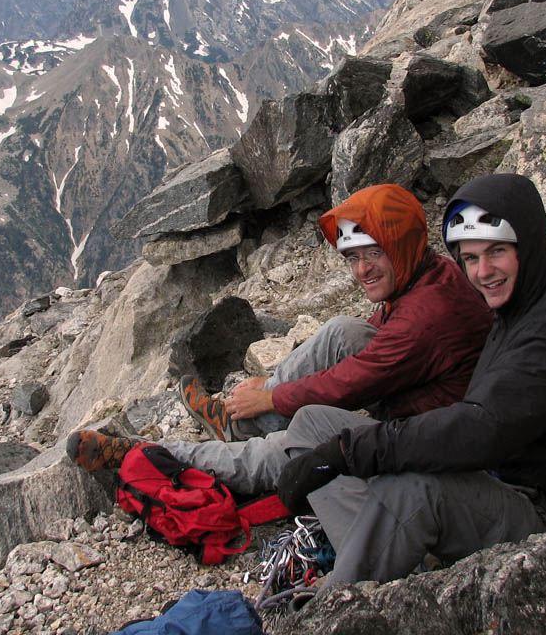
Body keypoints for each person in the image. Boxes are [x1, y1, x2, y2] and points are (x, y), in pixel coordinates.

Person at [274, 173, 546, 587]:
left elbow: (479, 431)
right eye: (469, 257)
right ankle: (394, 555)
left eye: (496, 252)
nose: (482, 272)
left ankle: (348, 602)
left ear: (527, 246)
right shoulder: (532, 296)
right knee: (310, 424)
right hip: (493, 477)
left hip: (539, 511)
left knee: (413, 488)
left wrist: (346, 452)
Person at [67, 183, 493, 494]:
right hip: (419, 403)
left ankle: (150, 455)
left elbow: (354, 380)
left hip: (417, 439)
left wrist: (273, 396)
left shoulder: (426, 315)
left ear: (400, 244)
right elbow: (372, 354)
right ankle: (238, 423)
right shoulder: (426, 274)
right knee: (341, 331)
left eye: (373, 253)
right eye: (352, 258)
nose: (361, 271)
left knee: (293, 444)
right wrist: (274, 392)